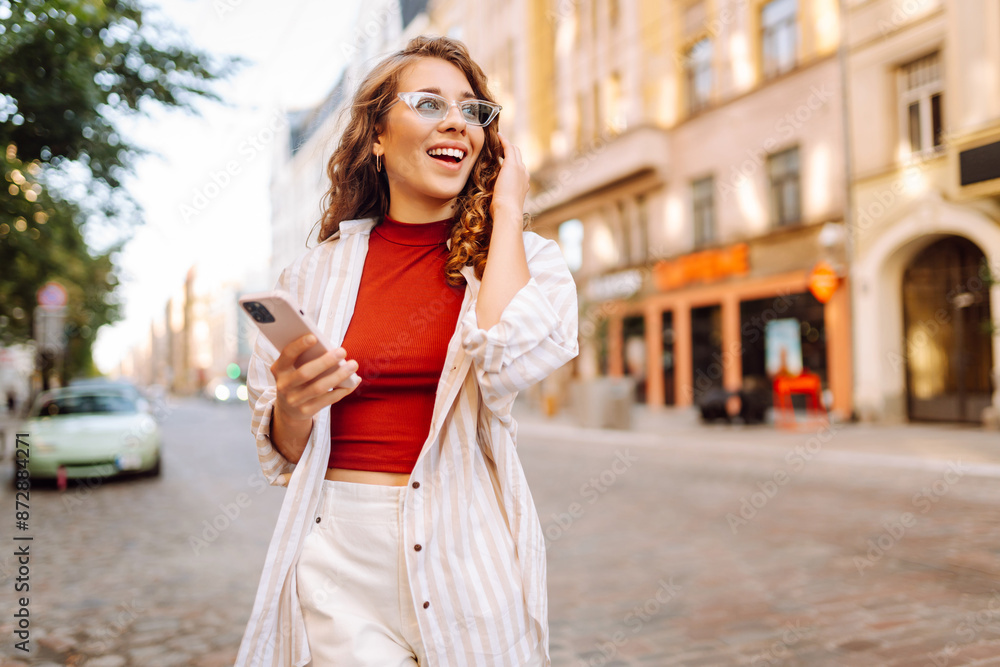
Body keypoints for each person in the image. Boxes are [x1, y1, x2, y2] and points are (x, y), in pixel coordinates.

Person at [236, 35, 579, 667]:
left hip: (467, 542)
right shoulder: (312, 275)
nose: (456, 120)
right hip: (338, 549)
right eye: (427, 103)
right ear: (376, 135)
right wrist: (292, 404)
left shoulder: (525, 260)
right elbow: (285, 452)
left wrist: (506, 211)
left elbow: (507, 361)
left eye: (472, 110)